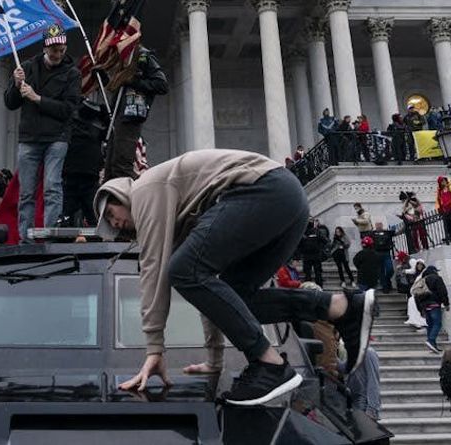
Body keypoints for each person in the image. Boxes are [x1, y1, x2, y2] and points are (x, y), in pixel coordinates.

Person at [93, 149, 377, 406]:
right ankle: (339, 307)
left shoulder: (145, 190)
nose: (114, 224)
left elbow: (153, 271)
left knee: (181, 270)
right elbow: (212, 294)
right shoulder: (179, 214)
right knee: (233, 295)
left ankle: (271, 365)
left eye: (110, 214)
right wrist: (214, 360)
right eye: (110, 226)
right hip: (287, 201)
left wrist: (154, 348)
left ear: (119, 195)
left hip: (263, 191)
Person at [4, 23, 82, 242]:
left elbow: (69, 110)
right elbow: (10, 103)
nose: (57, 53)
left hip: (57, 138)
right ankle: (25, 239)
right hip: (29, 137)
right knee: (26, 192)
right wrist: (16, 84)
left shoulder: (72, 74)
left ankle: (50, 237)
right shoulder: (27, 68)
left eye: (61, 49)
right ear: (45, 47)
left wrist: (37, 98)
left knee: (52, 187)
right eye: (53, 49)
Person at [104, 46, 169, 180]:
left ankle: (130, 198)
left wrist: (134, 81)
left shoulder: (142, 56)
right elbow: (116, 87)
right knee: (111, 166)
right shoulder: (121, 57)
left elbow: (161, 85)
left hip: (131, 116)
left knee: (122, 166)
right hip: (117, 117)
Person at [62, 99, 109, 226]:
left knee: (71, 215)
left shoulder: (71, 120)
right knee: (91, 216)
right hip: (84, 173)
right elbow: (109, 132)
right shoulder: (99, 124)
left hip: (76, 174)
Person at [416, 264, 449, 353]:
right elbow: (443, 291)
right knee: (437, 324)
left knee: (430, 325)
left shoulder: (421, 280)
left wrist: (420, 309)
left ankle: (433, 345)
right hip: (434, 304)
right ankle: (431, 340)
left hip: (425, 306)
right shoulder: (437, 278)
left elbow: (417, 295)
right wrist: (446, 303)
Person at [343, 346, 381, 420]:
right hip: (353, 401)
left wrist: (372, 409)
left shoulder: (368, 353)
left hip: (364, 403)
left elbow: (373, 381)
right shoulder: (355, 353)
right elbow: (344, 367)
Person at [298, 221, 325, 288]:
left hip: (307, 257)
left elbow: (299, 245)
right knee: (318, 273)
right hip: (316, 256)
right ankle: (319, 287)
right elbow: (325, 241)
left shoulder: (303, 233)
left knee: (308, 274)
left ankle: (308, 288)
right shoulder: (317, 232)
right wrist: (319, 247)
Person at [370, 222, 395, 293]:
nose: (378, 226)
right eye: (377, 225)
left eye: (380, 225)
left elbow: (397, 232)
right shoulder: (372, 234)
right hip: (377, 253)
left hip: (386, 252)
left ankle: (387, 280)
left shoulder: (387, 232)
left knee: (390, 269)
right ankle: (385, 286)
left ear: (382, 225)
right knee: (380, 271)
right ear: (375, 226)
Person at [403, 259, 428, 330]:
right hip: (415, 294)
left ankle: (421, 322)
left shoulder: (424, 273)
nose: (419, 266)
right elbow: (410, 271)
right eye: (418, 264)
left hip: (421, 294)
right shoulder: (415, 273)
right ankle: (415, 320)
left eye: (421, 264)